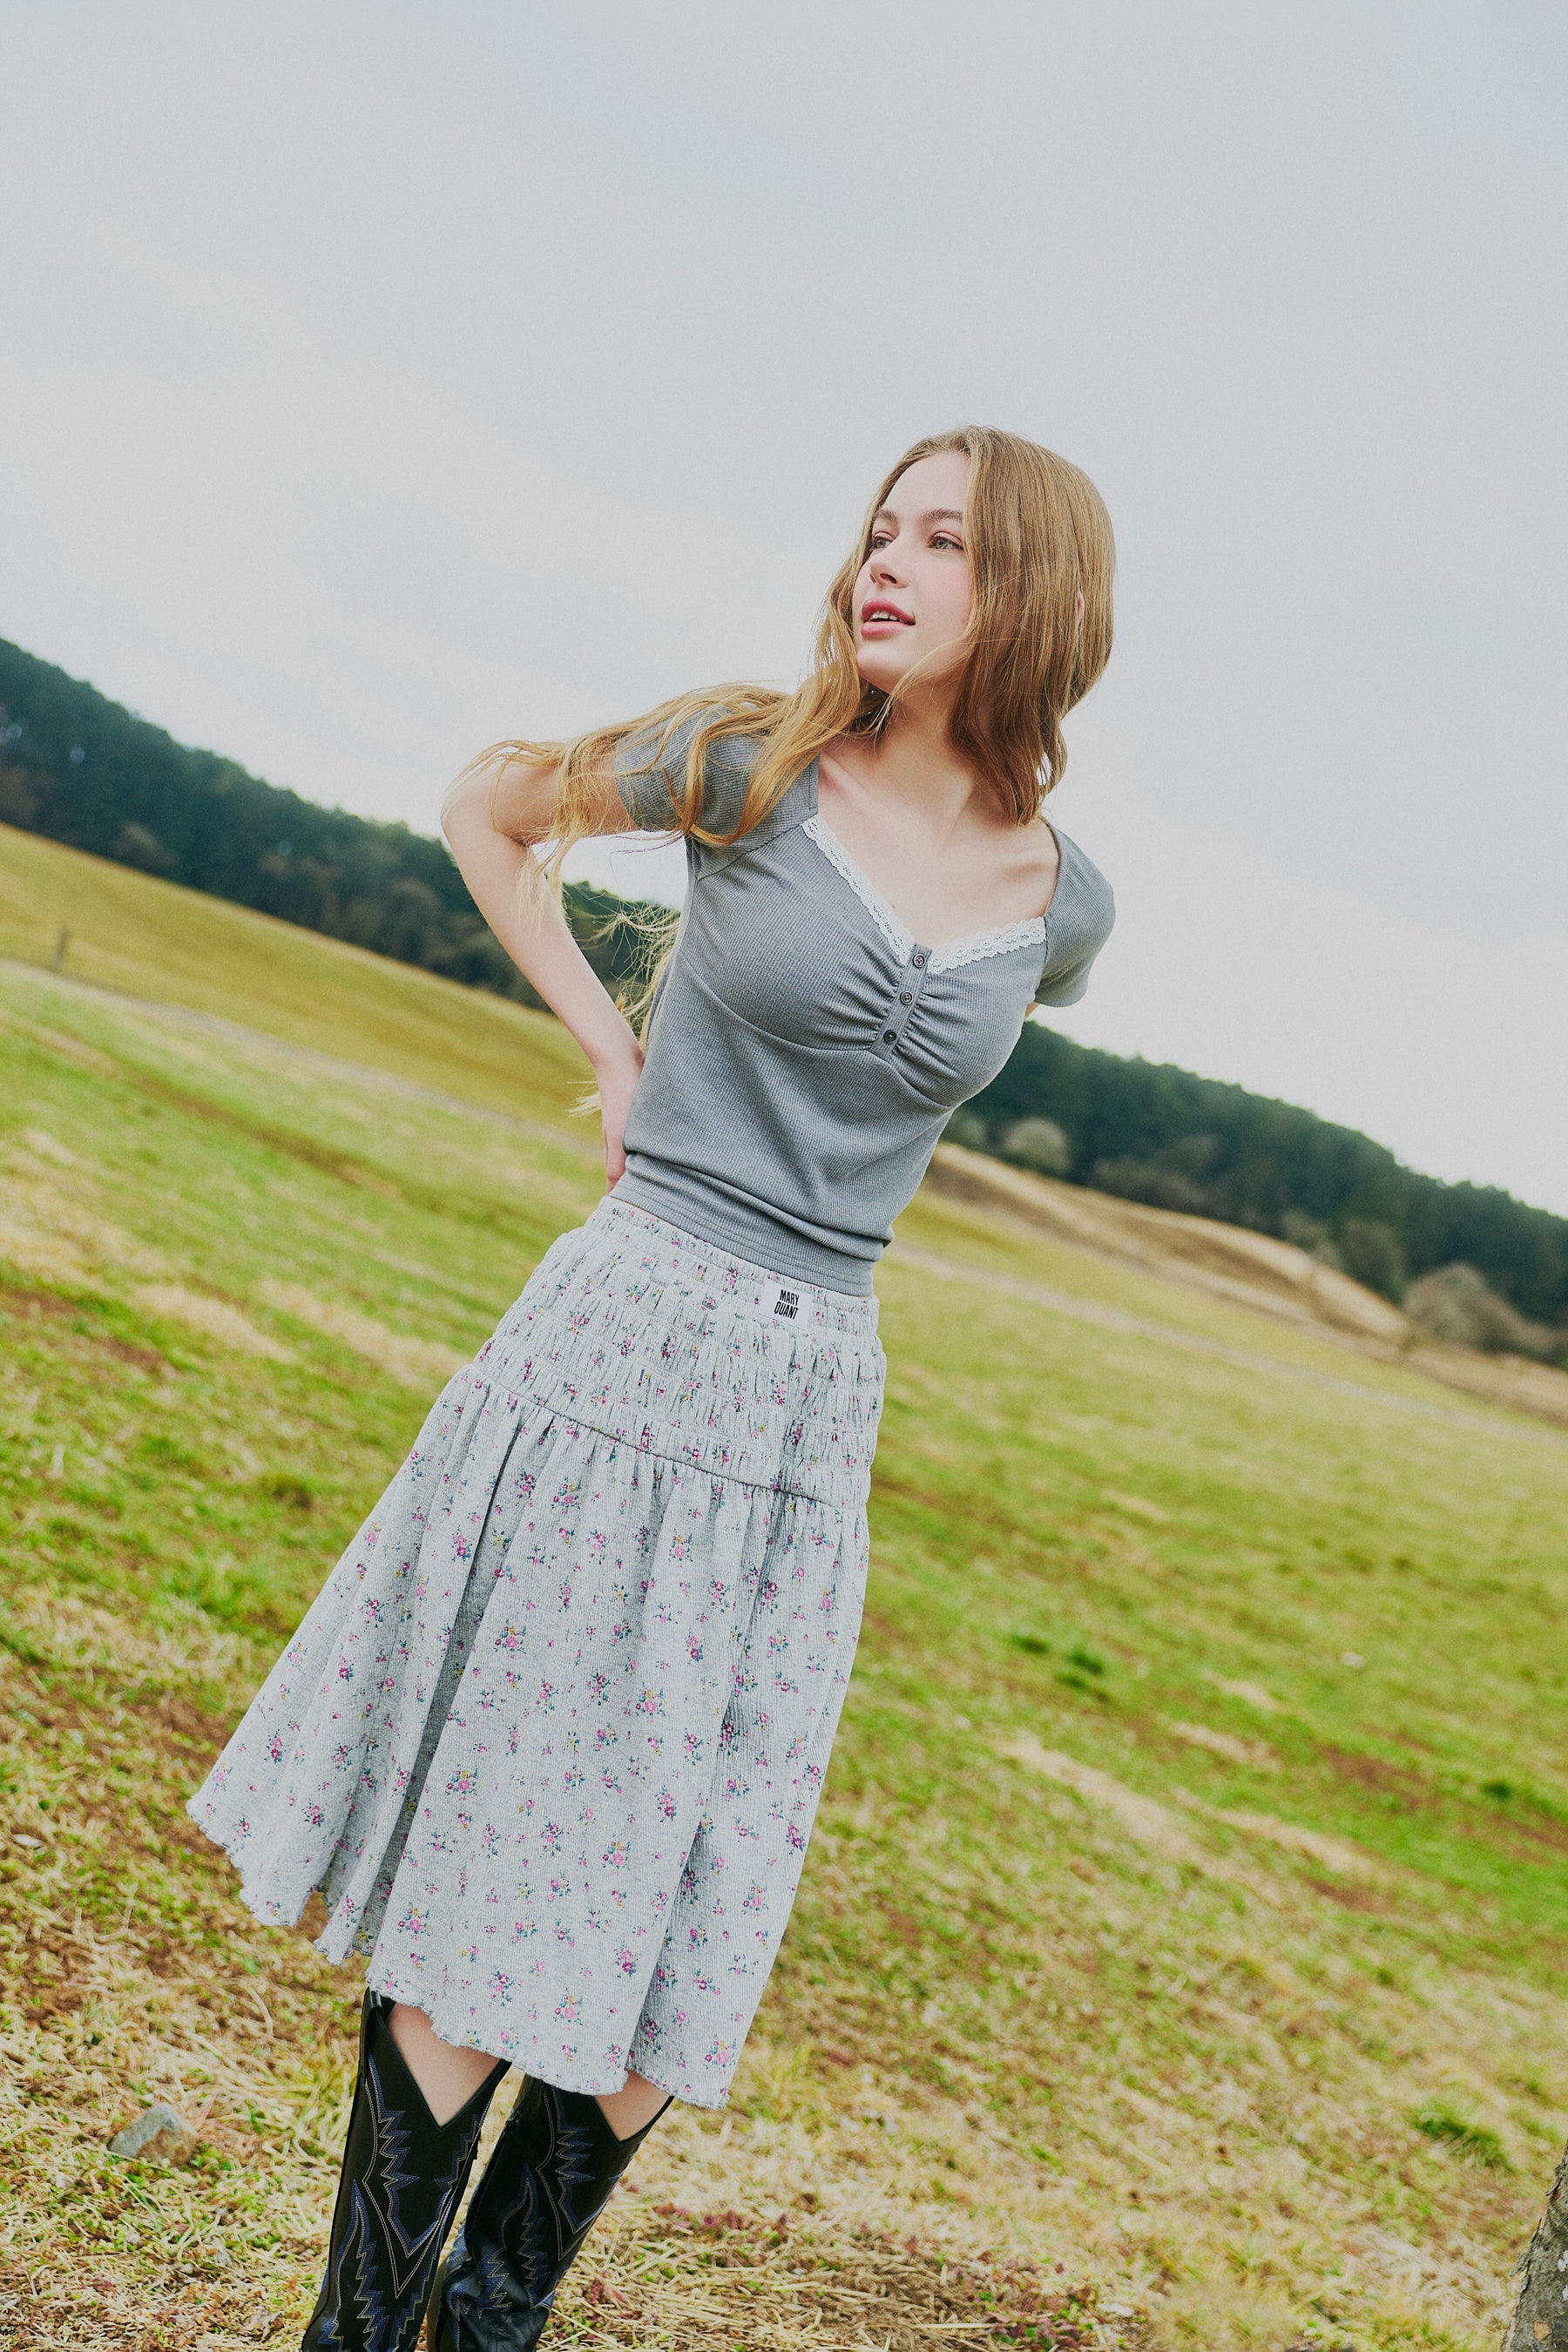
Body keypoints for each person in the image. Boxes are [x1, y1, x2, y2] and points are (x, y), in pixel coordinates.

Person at [188, 424, 1118, 2351]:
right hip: (626, 1343)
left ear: (1035, 589)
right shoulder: (745, 760)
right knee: (498, 1879)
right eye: (880, 531)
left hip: (813, 1406)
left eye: (943, 541)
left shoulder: (1068, 901)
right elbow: (489, 807)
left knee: (695, 1918)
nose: (884, 564)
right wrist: (613, 1051)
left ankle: (487, 2326)